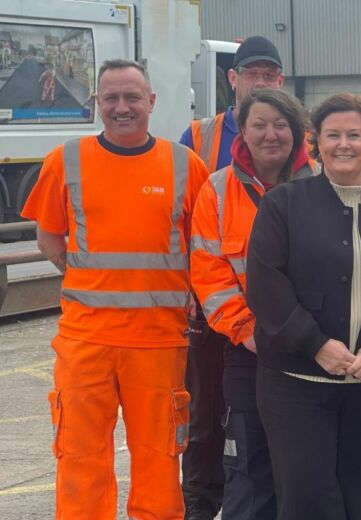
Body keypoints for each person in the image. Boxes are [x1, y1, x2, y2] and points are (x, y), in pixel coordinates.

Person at [22, 59, 210, 520]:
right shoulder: (65, 162)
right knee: (80, 459)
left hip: (159, 344)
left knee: (159, 460)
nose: (122, 108)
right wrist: (85, 272)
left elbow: (203, 246)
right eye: (111, 98)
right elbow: (49, 237)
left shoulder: (186, 166)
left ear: (151, 101)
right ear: (97, 104)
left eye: (132, 97)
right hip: (86, 342)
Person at [247, 93, 361, 519]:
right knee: (308, 501)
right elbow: (265, 285)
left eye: (354, 134)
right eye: (333, 135)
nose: (343, 144)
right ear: (317, 143)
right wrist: (314, 343)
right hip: (296, 385)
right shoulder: (284, 204)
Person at [190, 89, 312, 519]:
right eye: (259, 124)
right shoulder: (217, 191)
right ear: (242, 130)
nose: (270, 134)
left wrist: (310, 337)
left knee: (308, 467)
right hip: (248, 352)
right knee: (246, 464)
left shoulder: (322, 179)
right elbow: (211, 276)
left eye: (280, 124)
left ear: (296, 131)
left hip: (313, 351)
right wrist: (251, 334)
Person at [179, 35, 286, 520]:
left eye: (269, 74)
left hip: (285, 330)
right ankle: (202, 506)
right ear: (233, 79)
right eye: (252, 74)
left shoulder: (305, 153)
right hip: (216, 312)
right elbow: (189, 226)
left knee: (270, 437)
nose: (260, 81)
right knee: (207, 424)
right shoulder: (200, 137)